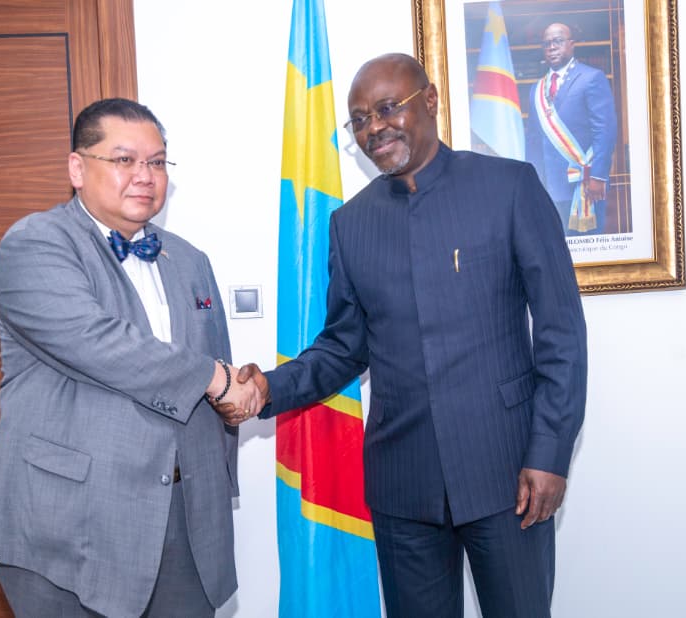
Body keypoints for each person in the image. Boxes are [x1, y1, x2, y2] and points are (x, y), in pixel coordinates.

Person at [223, 54, 587, 617]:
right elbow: (344, 347)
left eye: (388, 108)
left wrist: (550, 453)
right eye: (360, 119)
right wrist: (269, 387)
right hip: (404, 486)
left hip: (509, 472)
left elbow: (562, 335)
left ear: (430, 100)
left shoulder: (508, 187)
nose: (374, 127)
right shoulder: (351, 223)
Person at [0, 97, 259, 618]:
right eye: (124, 159)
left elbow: (216, 365)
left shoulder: (190, 259)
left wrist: (230, 417)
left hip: (186, 520)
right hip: (70, 524)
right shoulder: (35, 244)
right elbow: (98, 343)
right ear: (77, 168)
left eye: (157, 162)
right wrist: (215, 378)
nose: (144, 175)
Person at [526, 22, 618, 236]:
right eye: (546, 43)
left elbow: (605, 131)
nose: (552, 47)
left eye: (558, 41)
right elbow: (533, 140)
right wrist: (532, 182)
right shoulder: (536, 89)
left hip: (585, 185)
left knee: (587, 247)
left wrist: (598, 176)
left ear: (571, 44)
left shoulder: (592, 78)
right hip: (548, 188)